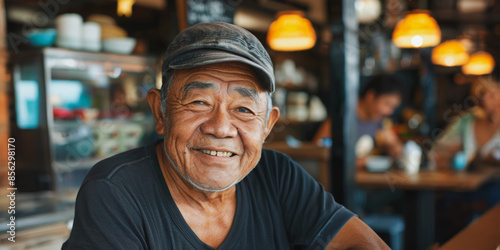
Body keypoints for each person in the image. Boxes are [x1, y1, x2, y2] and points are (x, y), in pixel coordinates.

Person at [62, 22, 388, 249]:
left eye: (244, 109)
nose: (220, 127)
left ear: (267, 125)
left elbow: (363, 243)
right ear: (160, 113)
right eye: (199, 102)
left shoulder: (276, 175)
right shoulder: (115, 192)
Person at [314, 75, 404, 168]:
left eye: (393, 108)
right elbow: (316, 154)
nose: (389, 112)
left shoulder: (378, 122)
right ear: (371, 96)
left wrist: (393, 148)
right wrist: (352, 163)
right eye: (387, 105)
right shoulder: (342, 116)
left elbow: (394, 145)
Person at [431, 76, 500, 170]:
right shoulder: (465, 121)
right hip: (466, 181)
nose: (486, 99)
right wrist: (449, 152)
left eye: (492, 94)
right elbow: (438, 149)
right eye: (481, 94)